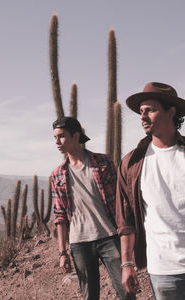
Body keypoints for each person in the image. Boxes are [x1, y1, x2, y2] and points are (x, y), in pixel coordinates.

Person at [51, 116, 134, 300]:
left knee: (126, 292)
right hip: (79, 243)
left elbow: (122, 202)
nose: (57, 142)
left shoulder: (103, 163)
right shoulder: (57, 174)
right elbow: (60, 217)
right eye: (55, 137)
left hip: (109, 236)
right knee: (90, 296)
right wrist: (63, 252)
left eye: (62, 136)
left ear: (76, 136)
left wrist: (127, 234)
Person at [116, 82, 185, 300]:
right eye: (141, 111)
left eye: (150, 110)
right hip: (163, 269)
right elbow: (126, 220)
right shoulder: (132, 163)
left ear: (171, 112)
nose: (143, 116)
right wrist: (127, 264)